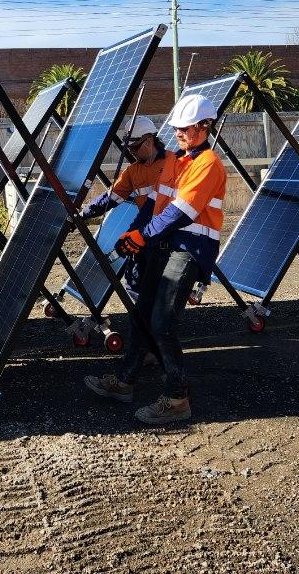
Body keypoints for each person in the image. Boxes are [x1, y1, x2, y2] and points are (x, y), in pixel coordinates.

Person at [84, 93, 227, 425]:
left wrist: (142, 236)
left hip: (191, 249)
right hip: (164, 245)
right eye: (176, 128)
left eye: (186, 128)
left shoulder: (208, 165)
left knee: (162, 323)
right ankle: (124, 383)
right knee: (141, 317)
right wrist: (134, 235)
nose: (178, 133)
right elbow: (155, 206)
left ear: (205, 126)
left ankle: (178, 398)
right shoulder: (176, 161)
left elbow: (180, 213)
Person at [79, 115, 166, 299]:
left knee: (161, 290)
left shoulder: (173, 164)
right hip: (143, 234)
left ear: (148, 141)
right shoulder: (133, 171)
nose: (132, 152)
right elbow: (109, 198)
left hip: (167, 238)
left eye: (134, 148)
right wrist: (82, 214)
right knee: (134, 285)